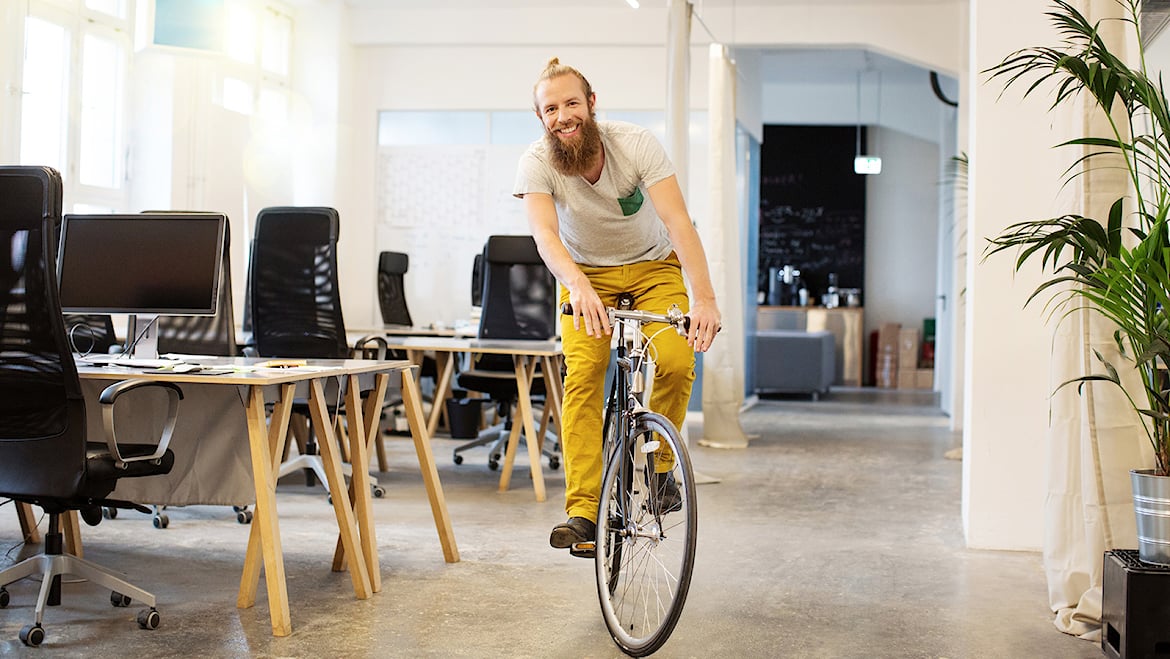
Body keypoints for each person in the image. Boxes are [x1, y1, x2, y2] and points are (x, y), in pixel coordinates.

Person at [513, 58, 721, 556]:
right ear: (541, 118)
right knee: (584, 376)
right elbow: (545, 234)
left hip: (653, 268)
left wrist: (706, 299)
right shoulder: (536, 162)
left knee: (675, 358)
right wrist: (578, 285)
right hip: (584, 277)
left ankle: (660, 469)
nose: (562, 115)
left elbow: (678, 223)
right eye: (550, 109)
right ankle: (583, 510)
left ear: (591, 104)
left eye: (570, 103)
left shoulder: (635, 144)